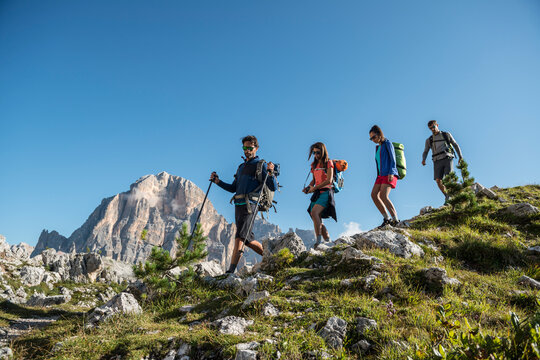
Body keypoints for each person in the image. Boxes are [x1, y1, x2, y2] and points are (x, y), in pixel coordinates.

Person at [210, 135, 277, 274]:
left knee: (240, 237)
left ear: (256, 148)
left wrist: (270, 173)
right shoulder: (241, 167)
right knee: (246, 238)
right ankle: (272, 259)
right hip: (238, 204)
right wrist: (218, 182)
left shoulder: (261, 164)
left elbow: (273, 186)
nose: (247, 150)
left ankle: (230, 271)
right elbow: (233, 188)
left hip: (250, 205)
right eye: (244, 148)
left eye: (250, 148)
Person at [302, 142, 337, 248]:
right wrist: (308, 188)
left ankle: (318, 241)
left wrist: (314, 188)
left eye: (318, 152)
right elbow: (314, 180)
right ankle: (328, 240)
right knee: (316, 218)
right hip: (317, 193)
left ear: (323, 151)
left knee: (314, 213)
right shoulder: (314, 165)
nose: (316, 155)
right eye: (314, 152)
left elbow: (329, 180)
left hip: (326, 192)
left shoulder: (328, 163)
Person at [422, 120, 463, 201]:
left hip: (447, 157)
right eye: (430, 128)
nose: (432, 129)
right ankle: (447, 196)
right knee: (438, 180)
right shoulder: (429, 140)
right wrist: (423, 159)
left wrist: (460, 156)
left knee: (449, 178)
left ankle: (454, 195)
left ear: (437, 125)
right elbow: (425, 151)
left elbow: (455, 145)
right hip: (436, 160)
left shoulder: (446, 135)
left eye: (433, 127)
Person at [369, 125, 400, 227]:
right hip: (380, 175)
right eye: (371, 138)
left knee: (383, 196)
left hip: (389, 173)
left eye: (373, 137)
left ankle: (396, 220)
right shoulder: (378, 147)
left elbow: (393, 158)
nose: (372, 140)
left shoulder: (387, 143)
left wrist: (391, 171)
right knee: (374, 195)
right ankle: (387, 218)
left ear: (379, 134)